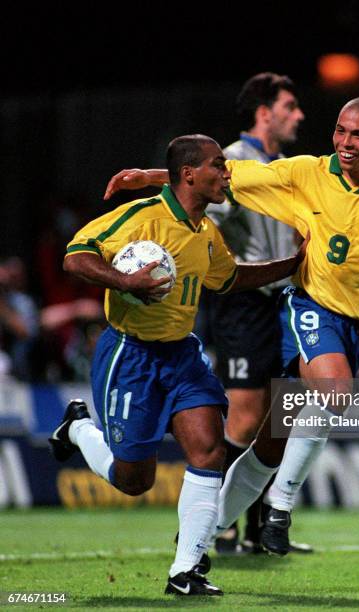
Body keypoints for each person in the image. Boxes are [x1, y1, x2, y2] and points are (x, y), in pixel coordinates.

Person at [103, 96, 359, 556]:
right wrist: (149, 177)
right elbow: (229, 175)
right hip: (311, 307)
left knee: (271, 443)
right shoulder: (307, 172)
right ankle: (281, 509)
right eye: (341, 131)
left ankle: (201, 536)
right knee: (336, 394)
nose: (345, 142)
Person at [49, 134, 306, 597]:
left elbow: (229, 279)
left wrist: (293, 265)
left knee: (209, 450)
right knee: (134, 481)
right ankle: (78, 429)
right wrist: (124, 279)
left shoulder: (206, 232)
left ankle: (185, 571)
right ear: (189, 173)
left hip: (183, 356)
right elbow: (75, 257)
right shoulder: (141, 216)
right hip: (131, 356)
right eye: (218, 166)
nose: (226, 174)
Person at [203, 72, 308, 553]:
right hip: (243, 301)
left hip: (282, 304)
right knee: (244, 420)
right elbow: (207, 223)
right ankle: (217, 521)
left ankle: (262, 528)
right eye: (290, 106)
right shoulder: (231, 162)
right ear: (264, 113)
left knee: (279, 418)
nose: (299, 115)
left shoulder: (286, 167)